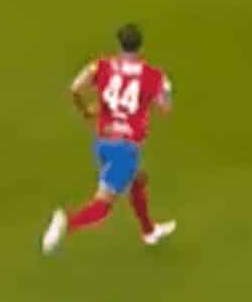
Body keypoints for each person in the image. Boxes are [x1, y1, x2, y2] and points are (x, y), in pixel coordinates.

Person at [43, 23, 174, 252]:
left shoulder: (102, 66)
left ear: (119, 44)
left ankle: (149, 231)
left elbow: (76, 87)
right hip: (125, 146)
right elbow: (165, 107)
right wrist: (166, 90)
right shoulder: (153, 76)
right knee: (103, 205)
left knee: (138, 179)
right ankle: (67, 223)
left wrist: (86, 111)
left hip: (103, 142)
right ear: (141, 47)